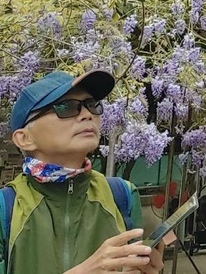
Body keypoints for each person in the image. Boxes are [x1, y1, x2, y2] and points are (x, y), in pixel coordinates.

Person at [2, 69, 163, 274]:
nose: (87, 115)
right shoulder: (5, 209)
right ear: (24, 138)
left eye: (91, 105)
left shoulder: (121, 195)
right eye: (67, 107)